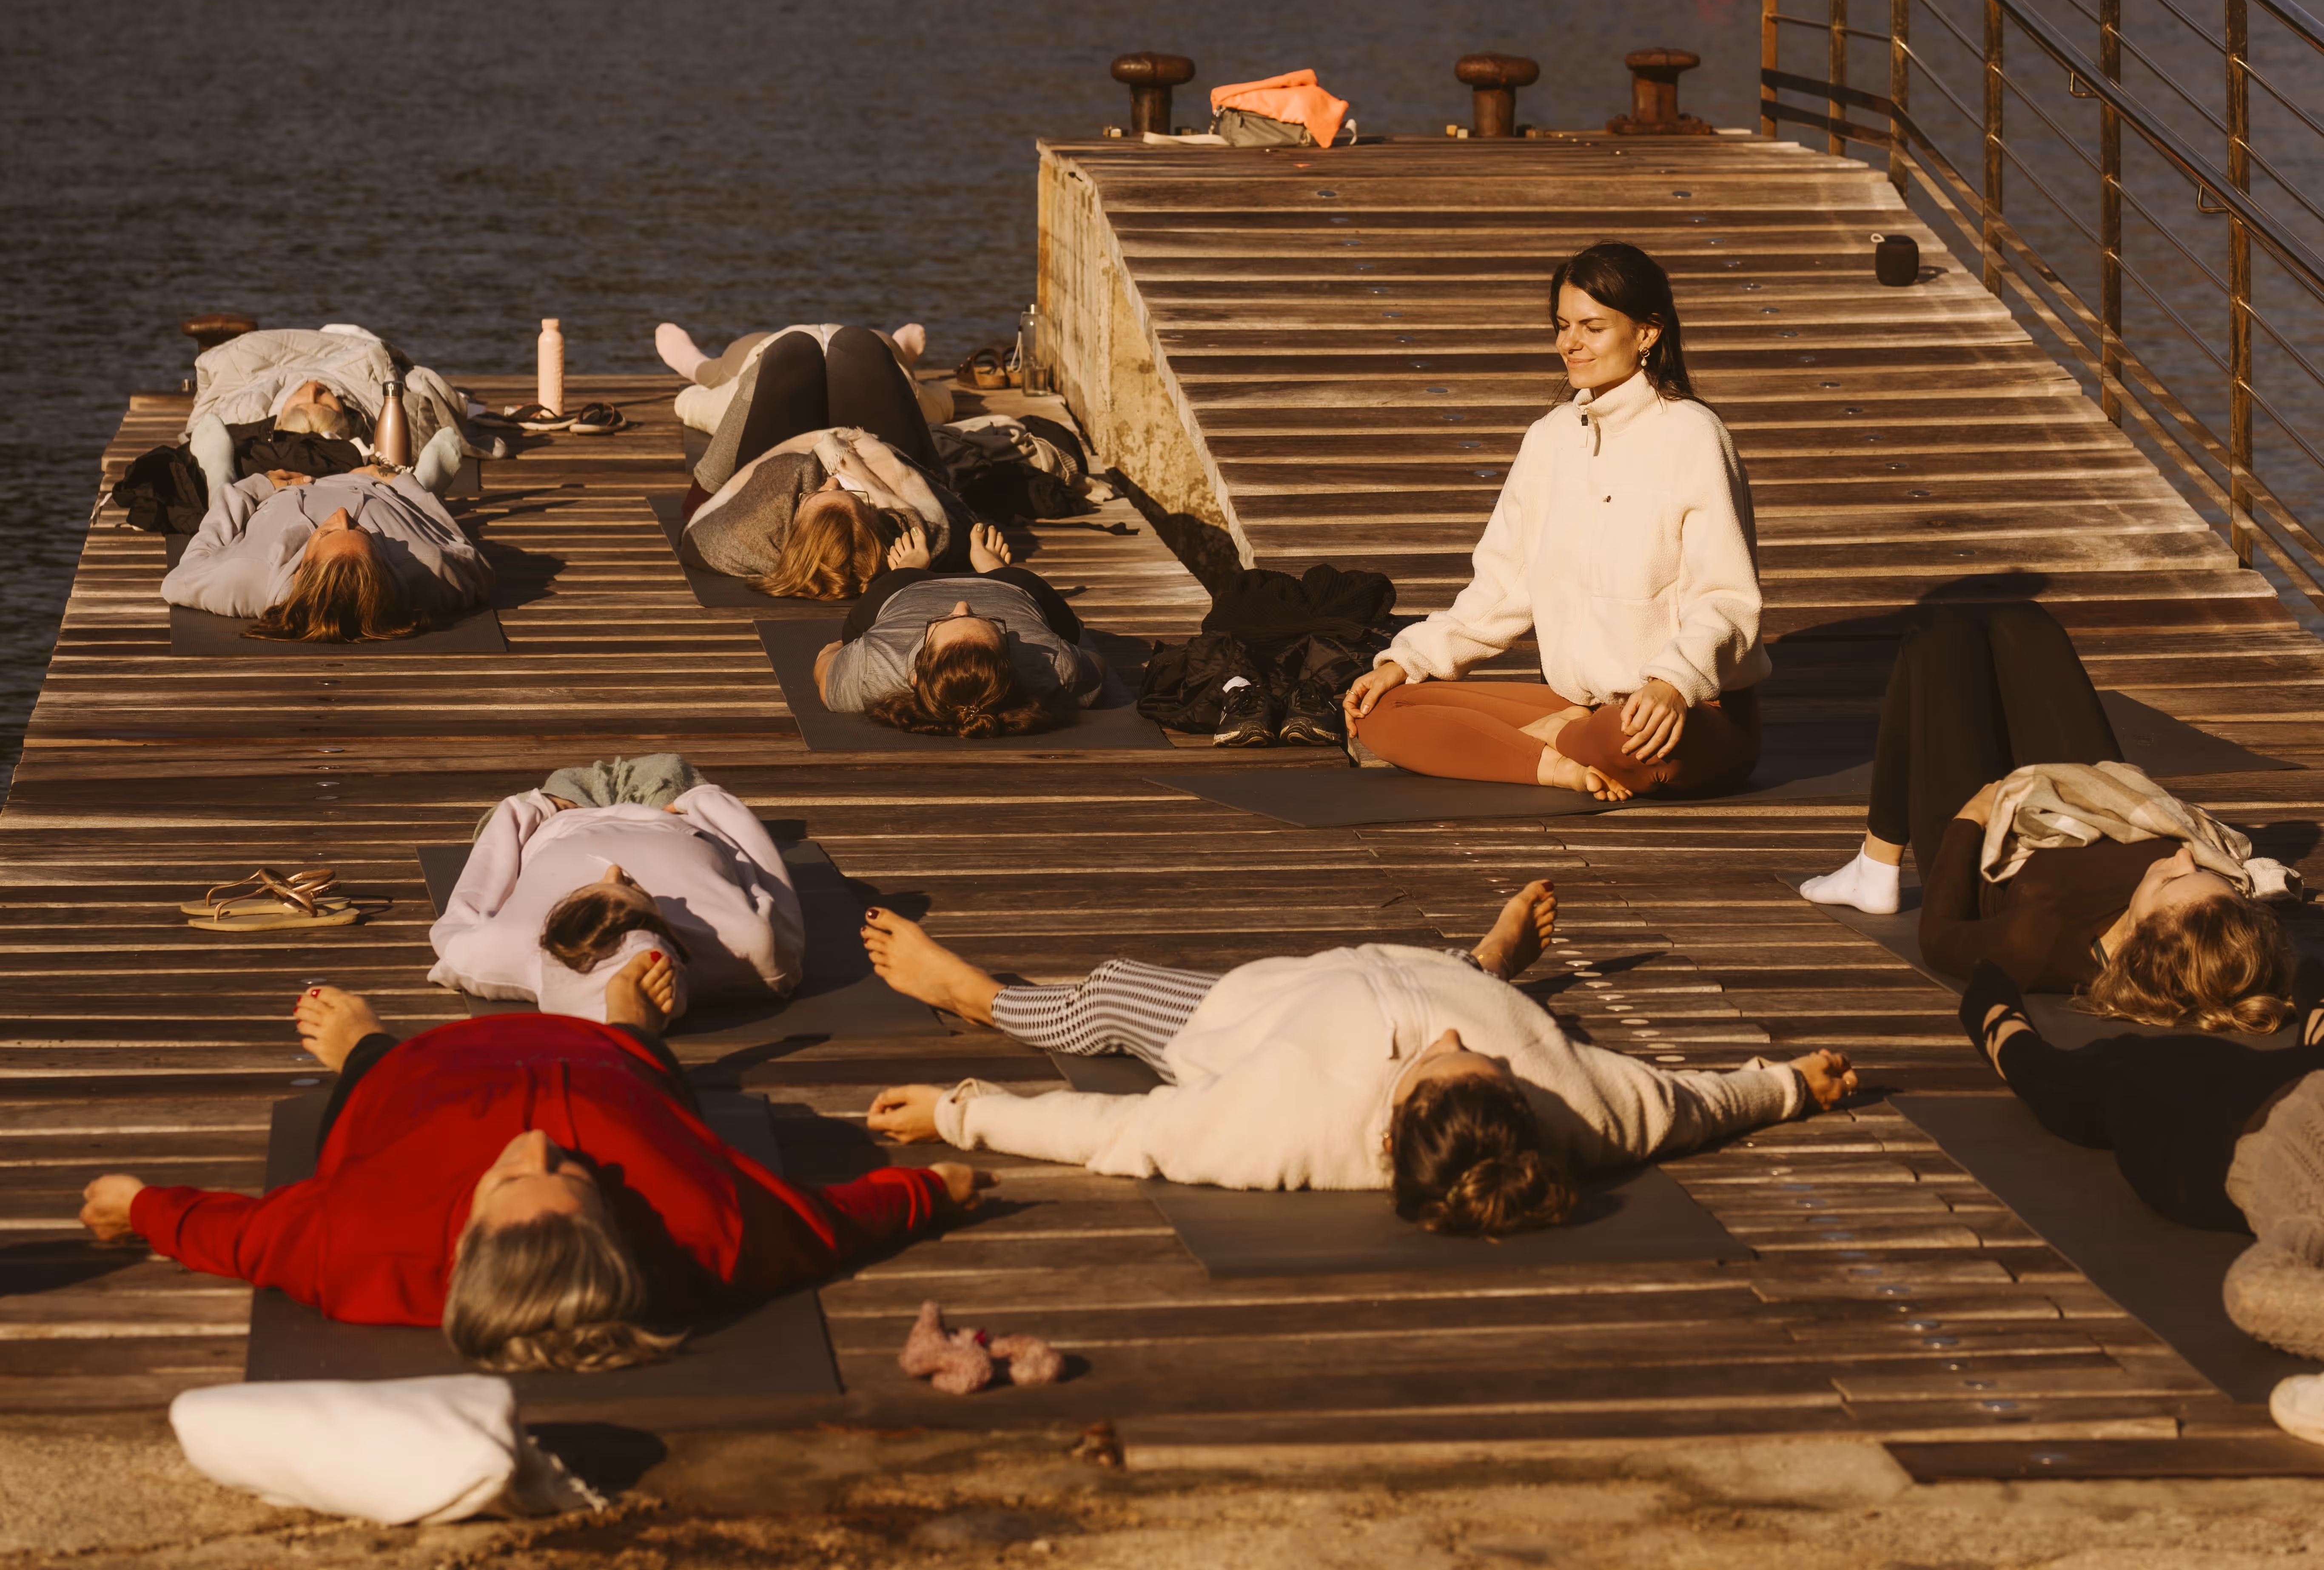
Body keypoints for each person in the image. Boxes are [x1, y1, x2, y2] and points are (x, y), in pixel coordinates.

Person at [77, 982, 975, 1372]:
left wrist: (139, 1204)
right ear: (614, 1231)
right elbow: (836, 1224)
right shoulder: (711, 1237)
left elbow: (235, 1235)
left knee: (373, 1074)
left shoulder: (356, 1251)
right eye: (579, 1181)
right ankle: (631, 1022)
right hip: (610, 1058)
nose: (541, 1146)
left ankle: (360, 1042)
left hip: (417, 1072)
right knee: (639, 1053)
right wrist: (936, 1188)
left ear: (462, 1241)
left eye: (517, 1179)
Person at [857, 891, 1854, 1232]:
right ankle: (1487, 964)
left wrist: (956, 1114)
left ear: (1387, 1121)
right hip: (1428, 971)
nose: (1458, 1049)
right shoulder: (1585, 1107)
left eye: (1440, 1066)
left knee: (1112, 991)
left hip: (1242, 1017)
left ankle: (976, 993)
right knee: (1464, 996)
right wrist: (1787, 1086)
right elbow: (1694, 1103)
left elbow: (1114, 1132)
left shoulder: (1272, 1126)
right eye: (1486, 1064)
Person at [1342, 241, 1766, 800]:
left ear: (1647, 333)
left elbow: (1728, 599)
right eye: (1563, 325)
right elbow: (1500, 590)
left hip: (1687, 711)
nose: (1570, 343)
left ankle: (1537, 748)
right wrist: (1408, 661)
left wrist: (1672, 682)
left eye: (1592, 327)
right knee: (1381, 710)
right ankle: (1556, 759)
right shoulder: (1549, 440)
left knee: (1629, 739)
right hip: (1585, 705)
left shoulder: (1694, 436)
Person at [1798, 602, 2297, 1027]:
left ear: (2136, 941)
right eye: (2211, 878)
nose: (2185, 859)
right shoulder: (2222, 937)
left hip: (1992, 840)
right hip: (2087, 805)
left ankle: (1876, 864)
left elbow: (1939, 938)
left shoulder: (2040, 946)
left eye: (2172, 881)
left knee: (1940, 641)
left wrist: (1968, 819)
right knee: (2024, 624)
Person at [1961, 960, 2324, 1360]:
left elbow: (2259, 1294)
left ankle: (2003, 1028)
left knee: (2107, 1073)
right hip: (2295, 1087)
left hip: (2226, 1117)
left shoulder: (2311, 1215)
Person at [429, 758, 805, 1024]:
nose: (615, 872)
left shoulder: (499, 949)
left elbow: (478, 888)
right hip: (670, 816)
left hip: (563, 819)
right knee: (669, 765)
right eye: (633, 891)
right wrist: (704, 804)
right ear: (660, 925)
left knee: (564, 778)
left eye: (589, 893)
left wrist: (527, 812)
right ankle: (631, 1023)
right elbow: (763, 872)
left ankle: (626, 1021)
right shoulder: (749, 950)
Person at [665, 317, 1015, 601]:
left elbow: (695, 528)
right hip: (872, 444)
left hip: (785, 445)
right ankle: (903, 359)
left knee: (789, 351)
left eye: (815, 495)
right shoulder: (918, 539)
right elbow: (960, 513)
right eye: (854, 496)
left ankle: (698, 369)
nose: (830, 479)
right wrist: (910, 574)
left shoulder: (744, 537)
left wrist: (705, 493)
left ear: (793, 528)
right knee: (861, 345)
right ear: (873, 520)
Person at [165, 465, 493, 642]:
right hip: (374, 487)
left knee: (224, 488)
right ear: (387, 569)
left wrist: (255, 487)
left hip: (283, 490)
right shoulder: (427, 570)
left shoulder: (246, 576)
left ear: (299, 572)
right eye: (362, 532)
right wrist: (400, 484)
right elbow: (466, 552)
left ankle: (219, 473)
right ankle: (423, 474)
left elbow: (180, 578)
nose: (340, 515)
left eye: (328, 533)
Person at [817, 567, 1116, 738]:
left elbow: (826, 657)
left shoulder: (872, 667)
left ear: (914, 676)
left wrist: (847, 651)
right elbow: (1092, 653)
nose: (962, 605)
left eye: (941, 622)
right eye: (990, 623)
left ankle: (910, 563)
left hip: (905, 585)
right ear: (1012, 661)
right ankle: (993, 563)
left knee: (853, 632)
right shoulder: (1055, 666)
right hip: (1012, 584)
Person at [186, 323, 468, 503]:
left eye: (309, 400)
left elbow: (221, 391)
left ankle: (221, 492)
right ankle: (419, 492)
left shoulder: (253, 417)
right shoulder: (356, 446)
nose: (312, 389)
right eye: (324, 401)